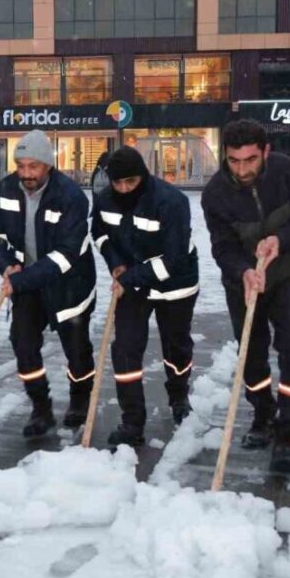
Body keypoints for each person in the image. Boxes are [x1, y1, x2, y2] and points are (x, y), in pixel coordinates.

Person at [200, 119, 290, 473]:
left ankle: (287, 435)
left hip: (288, 276)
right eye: (234, 161)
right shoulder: (215, 194)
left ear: (266, 152)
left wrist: (280, 240)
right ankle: (264, 414)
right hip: (243, 283)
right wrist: (243, 271)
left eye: (250, 160)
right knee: (251, 355)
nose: (242, 170)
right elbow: (222, 247)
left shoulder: (287, 173)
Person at [0, 130, 96, 437]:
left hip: (69, 285)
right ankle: (40, 407)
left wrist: (21, 280)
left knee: (77, 349)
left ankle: (80, 400)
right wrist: (6, 264)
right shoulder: (7, 188)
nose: (26, 174)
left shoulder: (70, 196)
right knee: (23, 344)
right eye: (20, 166)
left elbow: (66, 255)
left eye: (33, 166)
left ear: (48, 165)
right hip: (28, 284)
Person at [90, 146, 200, 448]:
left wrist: (129, 277)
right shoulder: (104, 199)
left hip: (175, 283)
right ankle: (132, 421)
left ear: (143, 176)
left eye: (131, 182)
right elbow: (99, 233)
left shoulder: (171, 201)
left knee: (176, 346)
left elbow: (174, 259)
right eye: (118, 183)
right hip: (133, 284)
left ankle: (179, 396)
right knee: (125, 349)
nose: (124, 189)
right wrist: (115, 263)